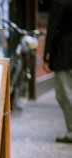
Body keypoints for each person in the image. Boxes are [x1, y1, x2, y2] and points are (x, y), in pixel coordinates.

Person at [43, 0, 72, 143]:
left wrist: (47, 56)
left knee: (65, 94)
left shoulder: (60, 2)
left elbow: (53, 29)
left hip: (65, 54)